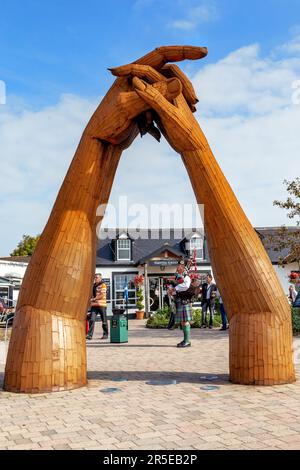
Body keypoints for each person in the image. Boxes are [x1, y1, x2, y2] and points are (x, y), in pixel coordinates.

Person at [168, 260, 193, 348]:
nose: (178, 268)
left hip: (184, 301)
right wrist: (171, 291)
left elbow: (186, 286)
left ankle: (187, 341)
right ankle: (185, 340)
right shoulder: (177, 278)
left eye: (180, 266)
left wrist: (175, 289)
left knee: (185, 321)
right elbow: (175, 289)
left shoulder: (186, 277)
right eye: (178, 266)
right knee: (183, 322)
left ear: (182, 268)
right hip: (179, 301)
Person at [86, 273, 108, 340]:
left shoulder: (103, 285)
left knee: (104, 321)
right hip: (94, 306)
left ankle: (105, 334)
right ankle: (89, 335)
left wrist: (94, 299)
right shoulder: (93, 286)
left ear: (100, 278)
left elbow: (102, 295)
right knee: (92, 319)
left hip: (102, 305)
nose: (95, 278)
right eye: (95, 277)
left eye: (97, 277)